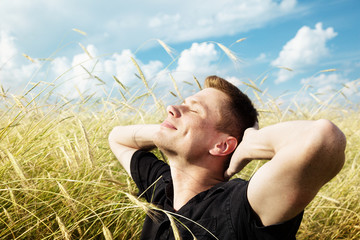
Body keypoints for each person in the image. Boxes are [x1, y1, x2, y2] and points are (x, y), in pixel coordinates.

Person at [108, 75, 346, 239]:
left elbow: (325, 138)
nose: (172, 108)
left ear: (222, 145)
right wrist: (166, 131)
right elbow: (117, 137)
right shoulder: (162, 185)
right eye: (182, 103)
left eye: (194, 109)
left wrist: (251, 140)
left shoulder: (241, 207)